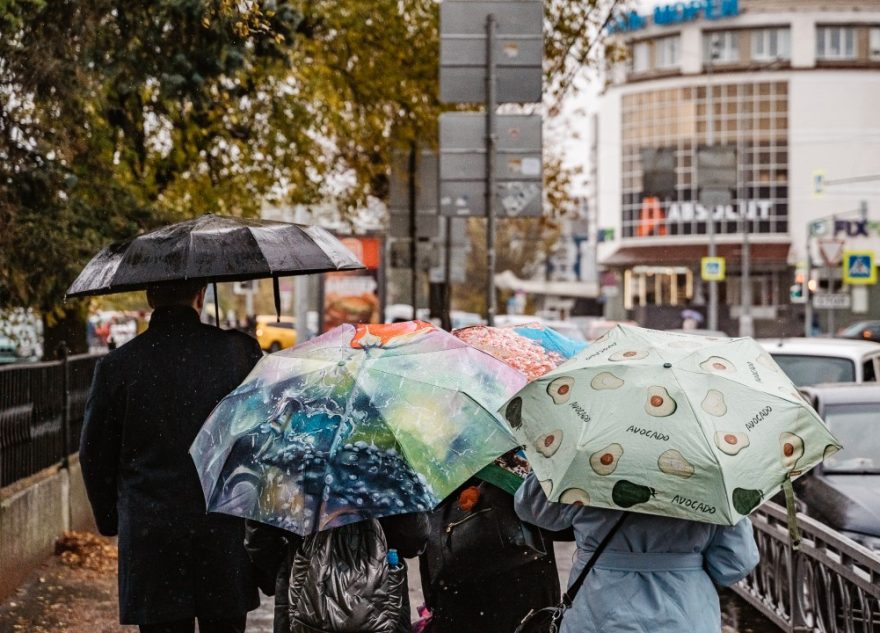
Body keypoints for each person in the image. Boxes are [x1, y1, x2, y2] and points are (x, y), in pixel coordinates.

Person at [80, 280, 265, 633]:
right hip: (223, 536)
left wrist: (111, 520)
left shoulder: (118, 366)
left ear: (151, 297)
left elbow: (94, 455)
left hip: (152, 539)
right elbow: (261, 443)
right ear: (200, 295)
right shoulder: (239, 354)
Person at [515, 474, 760, 633]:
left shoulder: (595, 459)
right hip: (686, 615)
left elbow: (532, 509)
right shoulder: (712, 478)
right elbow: (734, 565)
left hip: (599, 609)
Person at [418, 454, 565, 633]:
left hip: (463, 578)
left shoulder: (434, 452)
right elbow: (562, 525)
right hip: (520, 582)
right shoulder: (534, 451)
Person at [244, 513, 429, 633]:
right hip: (379, 601)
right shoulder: (385, 465)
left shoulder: (290, 461)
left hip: (303, 600)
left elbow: (259, 540)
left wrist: (291, 567)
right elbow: (413, 540)